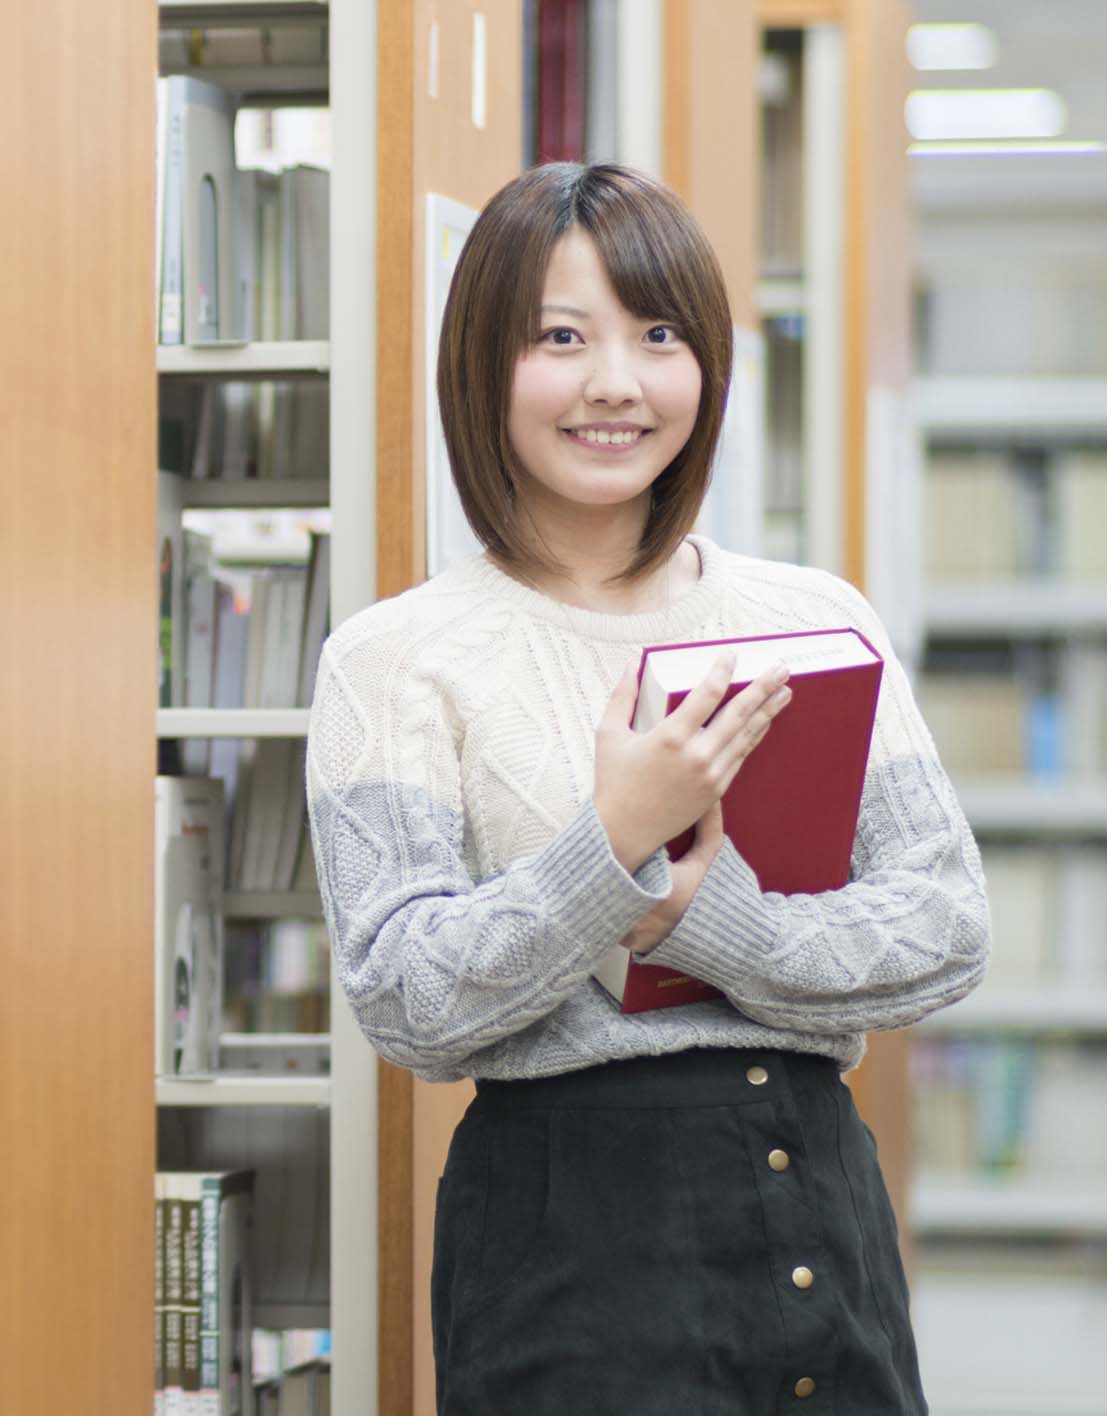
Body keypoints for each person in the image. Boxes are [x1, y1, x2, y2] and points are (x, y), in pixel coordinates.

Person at [305, 161, 991, 1415]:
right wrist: (609, 843)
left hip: (814, 1194)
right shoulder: (392, 658)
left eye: (658, 333)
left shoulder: (811, 623)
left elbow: (944, 930)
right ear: (482, 366)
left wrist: (711, 920)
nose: (615, 382)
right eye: (561, 338)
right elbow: (406, 1001)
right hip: (567, 1231)